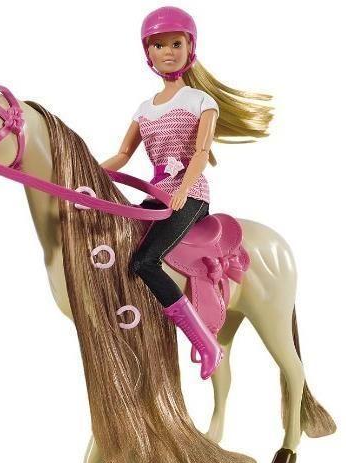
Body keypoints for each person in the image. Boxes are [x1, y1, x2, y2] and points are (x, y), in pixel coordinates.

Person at [101, 6, 273, 379]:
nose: (168, 51)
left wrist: (182, 190)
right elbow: (123, 154)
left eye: (176, 44)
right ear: (148, 53)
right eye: (159, 45)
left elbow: (200, 152)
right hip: (155, 194)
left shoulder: (200, 101)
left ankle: (205, 343)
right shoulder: (144, 109)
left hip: (189, 195)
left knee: (145, 261)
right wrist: (88, 171)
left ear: (190, 48)